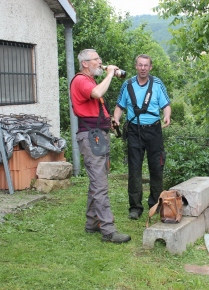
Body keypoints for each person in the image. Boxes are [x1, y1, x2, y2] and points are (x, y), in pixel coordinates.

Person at [70, 48, 131, 244]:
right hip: (91, 136)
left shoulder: (89, 80)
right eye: (96, 59)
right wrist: (111, 73)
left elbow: (96, 102)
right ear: (85, 63)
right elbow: (96, 93)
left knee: (98, 180)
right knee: (100, 184)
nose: (100, 62)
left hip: (97, 134)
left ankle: (92, 222)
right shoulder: (81, 80)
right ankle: (108, 231)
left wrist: (109, 120)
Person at [114, 54, 171, 220]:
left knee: (157, 167)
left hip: (154, 130)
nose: (143, 68)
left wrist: (167, 116)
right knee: (134, 169)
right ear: (136, 66)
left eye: (146, 65)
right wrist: (116, 119)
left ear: (150, 67)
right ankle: (135, 207)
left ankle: (156, 203)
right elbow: (119, 106)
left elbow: (166, 105)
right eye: (140, 65)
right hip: (133, 131)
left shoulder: (157, 84)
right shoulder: (128, 84)